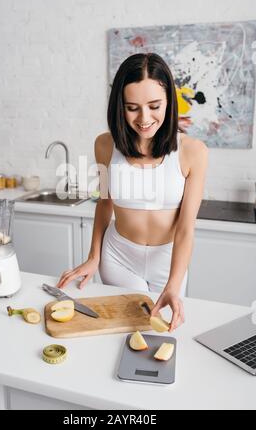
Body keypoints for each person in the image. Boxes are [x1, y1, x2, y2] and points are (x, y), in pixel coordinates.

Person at [57, 53, 208, 332]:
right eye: (132, 107)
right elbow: (104, 204)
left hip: (168, 262)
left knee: (163, 335)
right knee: (125, 333)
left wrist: (174, 284)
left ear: (168, 103)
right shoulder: (104, 145)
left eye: (154, 106)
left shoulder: (193, 152)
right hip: (119, 258)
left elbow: (186, 228)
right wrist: (94, 256)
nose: (144, 118)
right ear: (119, 106)